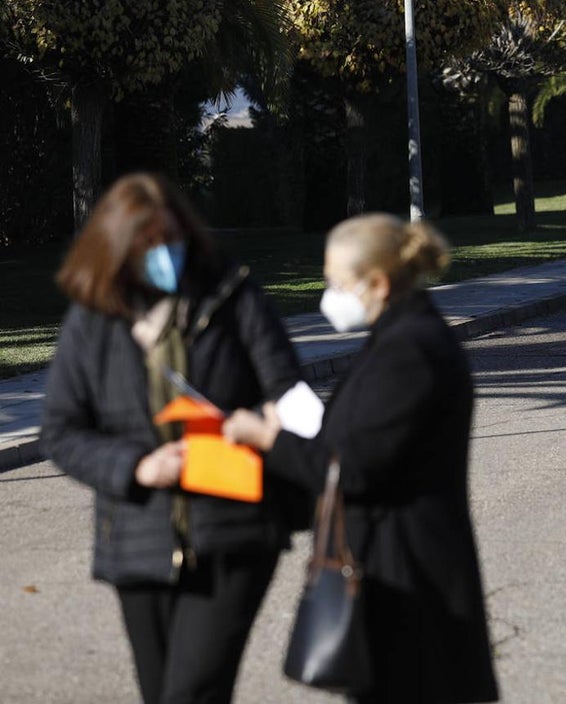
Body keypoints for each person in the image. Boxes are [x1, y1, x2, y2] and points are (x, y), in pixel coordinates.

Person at [40, 173, 305, 704]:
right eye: (149, 244)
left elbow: (288, 391)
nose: (164, 253)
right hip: (137, 540)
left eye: (172, 238)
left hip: (233, 532)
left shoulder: (231, 295)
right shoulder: (93, 319)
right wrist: (137, 468)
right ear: (117, 250)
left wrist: (269, 424)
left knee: (192, 694)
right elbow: (60, 431)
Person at [223, 213, 499, 704]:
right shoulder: (400, 337)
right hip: (395, 575)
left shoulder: (410, 351)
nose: (328, 294)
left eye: (336, 281)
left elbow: (352, 467)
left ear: (377, 282)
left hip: (410, 584)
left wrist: (269, 439)